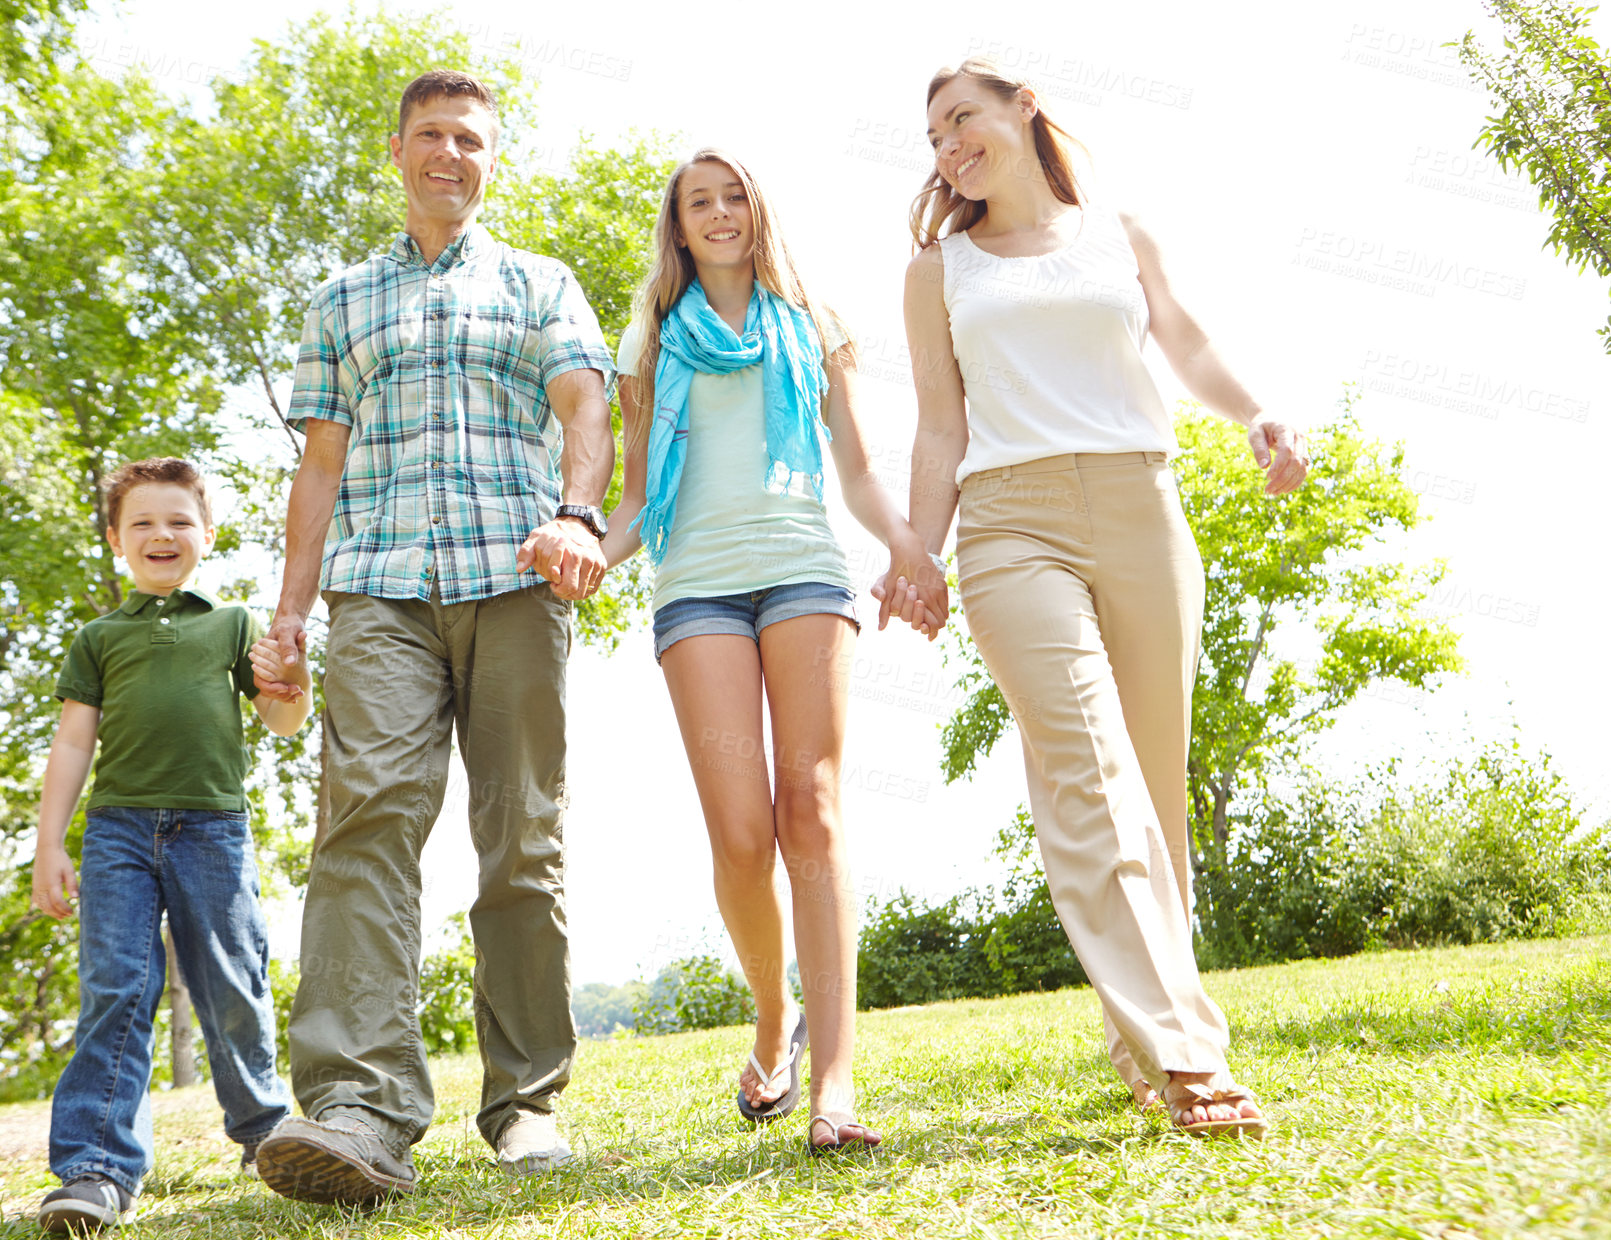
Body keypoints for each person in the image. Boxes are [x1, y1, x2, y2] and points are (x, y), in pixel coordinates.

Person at [876, 57, 1310, 1137]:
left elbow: (1188, 341)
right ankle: (1186, 1055)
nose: (948, 146)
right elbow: (939, 424)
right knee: (1087, 771)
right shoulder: (938, 271)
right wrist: (918, 554)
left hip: (1142, 503)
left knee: (1155, 796)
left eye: (962, 118)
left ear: (1024, 109)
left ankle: (1139, 1028)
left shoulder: (1119, 229)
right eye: (934, 136)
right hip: (1011, 523)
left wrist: (1256, 412)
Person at [249, 69, 615, 1203]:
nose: (450, 153)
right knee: (363, 828)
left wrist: (577, 513)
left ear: (488, 157)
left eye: (470, 138)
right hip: (377, 594)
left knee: (523, 840)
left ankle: (526, 1101)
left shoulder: (541, 282)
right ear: (397, 151)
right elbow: (317, 470)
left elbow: (586, 409)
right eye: (432, 136)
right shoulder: (343, 300)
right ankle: (360, 1108)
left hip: (514, 582)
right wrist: (291, 611)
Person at [601, 148, 933, 1153]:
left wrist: (910, 549)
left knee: (813, 813)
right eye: (697, 201)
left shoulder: (812, 325)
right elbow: (630, 498)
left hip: (803, 570)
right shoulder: (652, 337)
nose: (717, 212)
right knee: (742, 836)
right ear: (679, 225)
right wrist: (583, 553)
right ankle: (769, 1013)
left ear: (759, 208)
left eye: (732, 194)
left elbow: (863, 471)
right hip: (696, 580)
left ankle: (834, 1087)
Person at [30, 457, 308, 1234]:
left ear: (206, 535)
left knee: (232, 978)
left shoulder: (232, 624)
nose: (163, 534)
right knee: (116, 987)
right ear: (118, 539)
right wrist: (51, 845)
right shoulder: (98, 638)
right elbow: (74, 744)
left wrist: (294, 682)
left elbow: (281, 721)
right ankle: (95, 1167)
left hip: (213, 828)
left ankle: (266, 1134)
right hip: (118, 831)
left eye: (179, 520)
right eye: (144, 522)